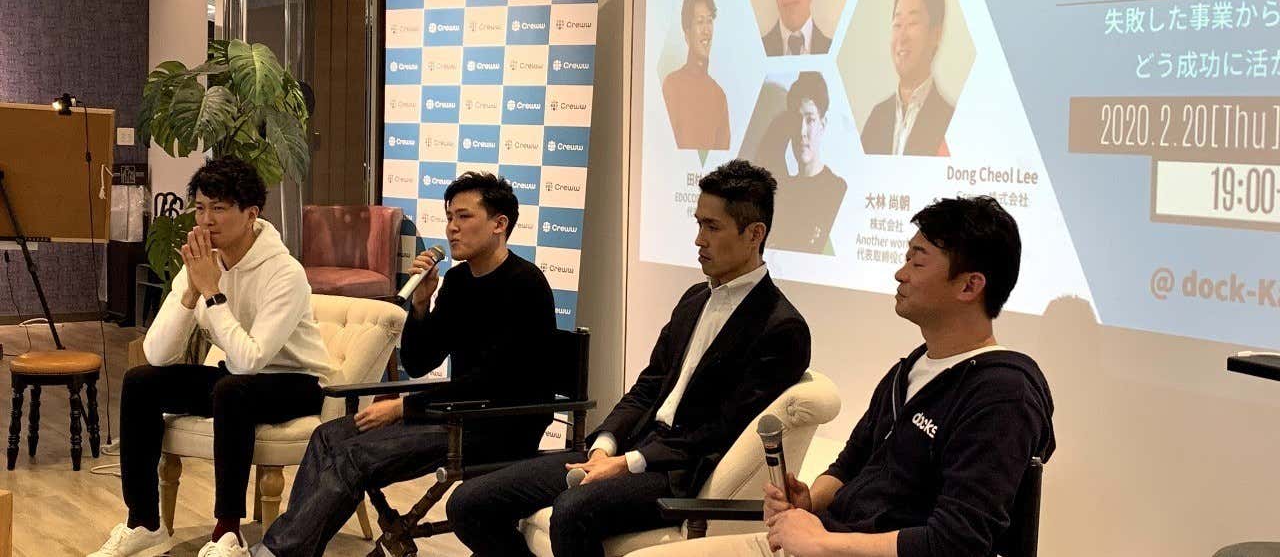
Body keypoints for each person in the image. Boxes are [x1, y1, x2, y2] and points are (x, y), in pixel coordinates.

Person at [626, 196, 1055, 557]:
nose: (901, 273)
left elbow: (956, 540)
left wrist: (823, 542)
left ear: (969, 286)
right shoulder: (908, 371)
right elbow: (851, 462)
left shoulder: (1003, 395)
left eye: (918, 262)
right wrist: (810, 501)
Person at [446, 159, 812, 557]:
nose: (698, 240)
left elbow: (720, 431)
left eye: (712, 227)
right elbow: (647, 387)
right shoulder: (695, 298)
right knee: (468, 503)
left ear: (754, 234)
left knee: (571, 511)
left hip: (678, 473)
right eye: (698, 224)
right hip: (630, 448)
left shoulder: (781, 327)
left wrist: (628, 463)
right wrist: (605, 444)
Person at [249, 172, 557, 557]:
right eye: (449, 217)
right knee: (328, 437)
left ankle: (278, 551)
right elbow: (419, 360)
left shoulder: (525, 285)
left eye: (464, 217)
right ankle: (292, 549)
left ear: (499, 224)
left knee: (353, 455)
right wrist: (421, 304)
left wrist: (403, 408)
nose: (452, 228)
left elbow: (492, 382)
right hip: (455, 414)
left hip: (499, 424)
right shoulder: (459, 281)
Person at [90, 156, 336, 557]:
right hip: (237, 378)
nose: (206, 220)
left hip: (298, 382)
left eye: (219, 208)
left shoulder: (285, 272)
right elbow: (157, 353)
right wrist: (190, 292)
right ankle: (144, 522)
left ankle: (227, 533)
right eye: (200, 208)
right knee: (140, 381)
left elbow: (249, 361)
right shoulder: (204, 262)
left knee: (232, 389)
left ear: (251, 214)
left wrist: (211, 292)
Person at [861, 0, 956, 156]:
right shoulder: (876, 118)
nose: (902, 37)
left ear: (935, 34)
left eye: (912, 23)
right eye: (897, 24)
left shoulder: (950, 122)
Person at [768, 72, 847, 253]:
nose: (801, 131)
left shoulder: (838, 190)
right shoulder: (780, 191)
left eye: (810, 120)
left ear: (823, 124)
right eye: (796, 120)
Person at [663, 0, 730, 150]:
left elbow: (724, 157)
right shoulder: (672, 85)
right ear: (687, 33)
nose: (707, 30)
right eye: (700, 22)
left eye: (709, 21)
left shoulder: (719, 95)